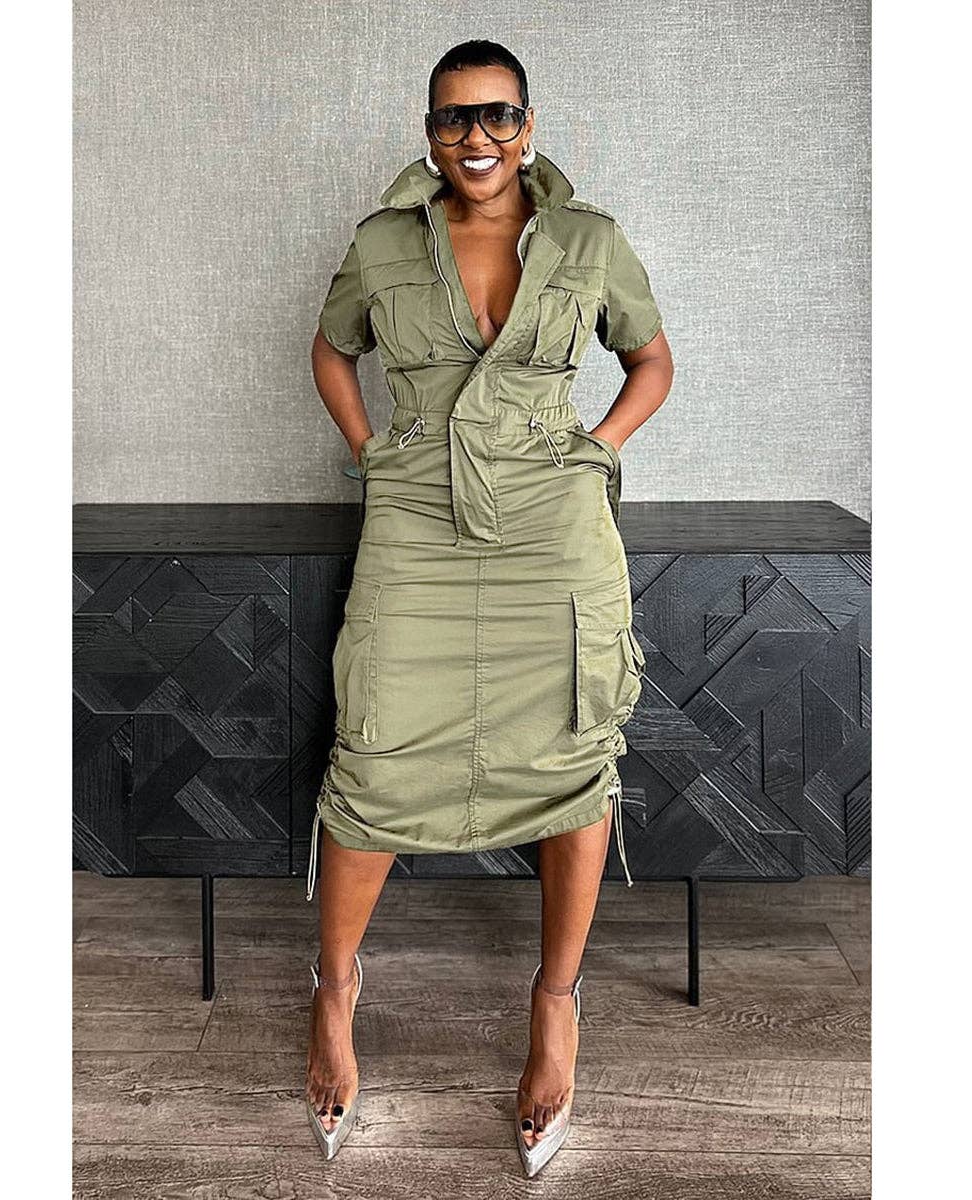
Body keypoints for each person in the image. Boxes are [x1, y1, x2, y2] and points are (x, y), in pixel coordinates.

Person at [306, 39, 674, 1173]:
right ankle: (333, 990)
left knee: (571, 746)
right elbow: (331, 352)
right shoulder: (382, 243)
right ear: (431, 132)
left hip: (551, 525)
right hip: (420, 514)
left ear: (527, 126)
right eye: (454, 118)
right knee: (375, 746)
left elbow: (652, 363)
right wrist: (374, 455)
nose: (477, 137)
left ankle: (556, 1003)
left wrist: (595, 451)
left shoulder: (587, 241)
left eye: (497, 115)